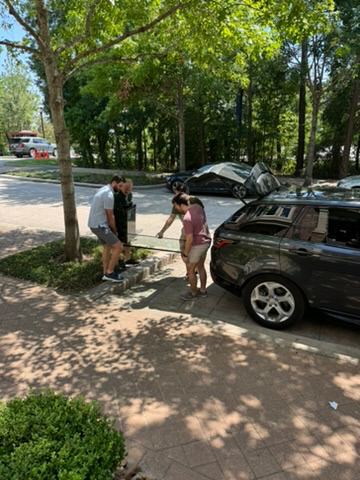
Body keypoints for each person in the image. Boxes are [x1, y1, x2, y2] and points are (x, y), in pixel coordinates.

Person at [172, 193, 211, 300]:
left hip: (198, 245)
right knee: (201, 266)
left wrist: (185, 254)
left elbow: (189, 239)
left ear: (180, 205)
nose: (175, 208)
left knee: (190, 269)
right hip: (206, 241)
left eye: (176, 206)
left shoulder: (187, 218)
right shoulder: (197, 207)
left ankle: (193, 294)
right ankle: (203, 291)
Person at [88, 175, 125, 282]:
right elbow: (110, 216)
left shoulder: (103, 189)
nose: (120, 188)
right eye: (120, 186)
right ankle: (110, 272)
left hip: (94, 225)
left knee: (107, 247)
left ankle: (105, 272)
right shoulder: (109, 195)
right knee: (118, 247)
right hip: (100, 226)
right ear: (114, 183)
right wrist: (114, 231)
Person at [113, 179, 139, 267]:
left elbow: (129, 204)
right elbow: (118, 211)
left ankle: (128, 259)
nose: (128, 190)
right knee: (118, 242)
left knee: (128, 240)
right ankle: (118, 260)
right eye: (126, 188)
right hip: (118, 222)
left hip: (127, 221)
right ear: (121, 187)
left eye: (130, 188)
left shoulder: (129, 195)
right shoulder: (116, 196)